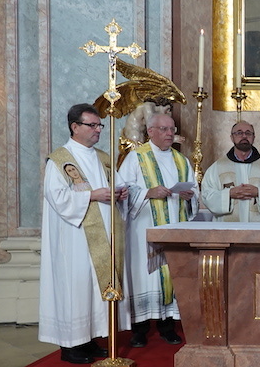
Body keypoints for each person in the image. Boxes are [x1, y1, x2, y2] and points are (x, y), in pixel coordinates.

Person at [39, 103, 129, 364]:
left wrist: (122, 192)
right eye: (92, 125)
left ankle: (89, 340)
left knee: (92, 289)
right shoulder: (60, 160)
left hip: (104, 235)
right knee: (76, 288)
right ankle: (70, 346)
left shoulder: (102, 157)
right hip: (74, 238)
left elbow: (117, 184)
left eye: (99, 125)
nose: (98, 130)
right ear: (74, 127)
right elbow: (56, 196)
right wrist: (92, 196)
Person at [117, 113, 198, 348]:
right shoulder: (136, 157)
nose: (170, 134)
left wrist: (189, 196)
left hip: (174, 228)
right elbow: (122, 190)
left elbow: (194, 190)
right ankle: (140, 329)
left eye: (172, 129)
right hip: (144, 229)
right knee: (144, 276)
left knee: (172, 271)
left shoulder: (181, 160)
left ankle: (167, 326)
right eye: (164, 129)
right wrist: (148, 193)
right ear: (150, 131)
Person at [202, 120, 260, 222]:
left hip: (257, 229)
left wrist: (258, 192)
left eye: (248, 133)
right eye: (239, 133)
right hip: (227, 229)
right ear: (232, 137)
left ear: (253, 137)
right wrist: (229, 194)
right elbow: (207, 195)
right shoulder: (217, 167)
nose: (244, 136)